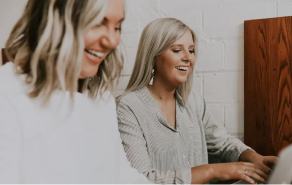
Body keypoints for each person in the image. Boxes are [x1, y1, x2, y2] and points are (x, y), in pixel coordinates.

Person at [0, 0, 149, 183]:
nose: (112, 40)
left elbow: (122, 176)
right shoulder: (7, 95)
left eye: (117, 27)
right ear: (55, 21)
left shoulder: (101, 98)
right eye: (96, 22)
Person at [117, 18, 277, 184]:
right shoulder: (128, 107)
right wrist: (212, 170)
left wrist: (254, 157)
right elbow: (141, 180)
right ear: (153, 55)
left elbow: (221, 143)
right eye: (177, 50)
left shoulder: (193, 102)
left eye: (191, 51)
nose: (188, 58)